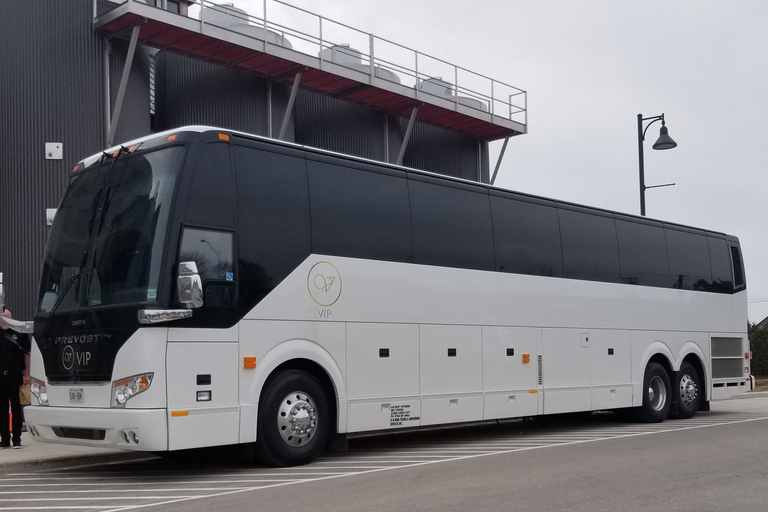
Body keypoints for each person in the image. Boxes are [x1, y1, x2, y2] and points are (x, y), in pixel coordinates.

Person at [1, 308, 30, 449]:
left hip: (15, 376)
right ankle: (4, 439)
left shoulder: (20, 333)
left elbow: (27, 354)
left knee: (16, 408)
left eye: (6, 318)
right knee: (2, 409)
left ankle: (17, 439)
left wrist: (27, 374)